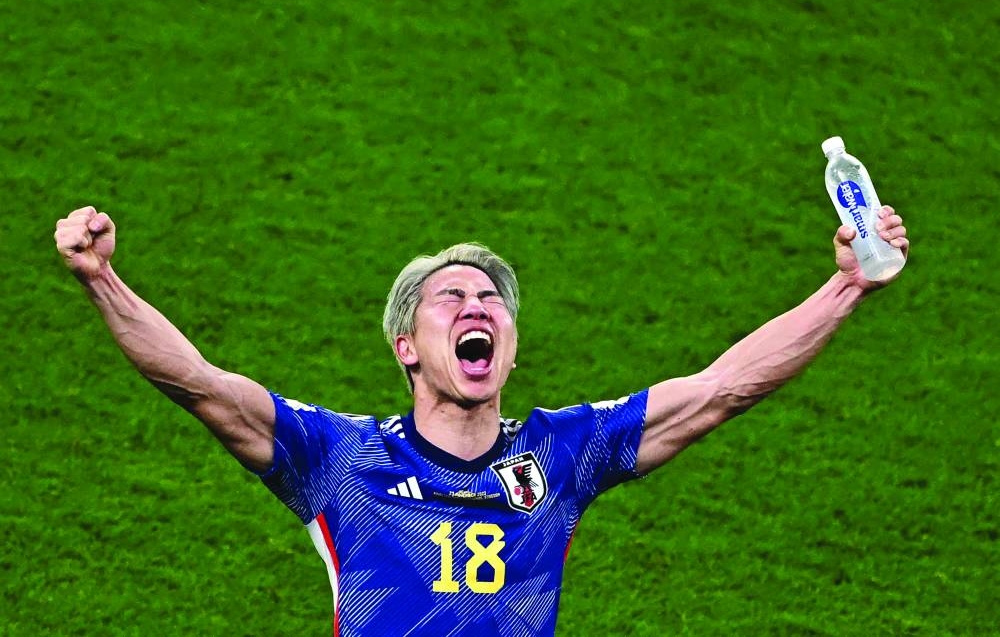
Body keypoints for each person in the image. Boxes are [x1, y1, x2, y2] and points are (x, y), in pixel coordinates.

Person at [54, 204, 909, 635]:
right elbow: (197, 382)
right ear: (408, 348)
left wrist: (847, 287)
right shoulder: (340, 459)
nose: (481, 305)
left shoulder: (565, 453)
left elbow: (725, 387)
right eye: (452, 297)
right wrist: (102, 279)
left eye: (493, 299)